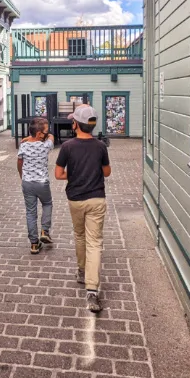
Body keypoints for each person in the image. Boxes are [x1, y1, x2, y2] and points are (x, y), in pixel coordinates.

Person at [54, 104, 111, 313]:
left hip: (76, 200)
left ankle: (81, 270)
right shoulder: (100, 146)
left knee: (79, 235)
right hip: (97, 199)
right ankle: (92, 291)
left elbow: (59, 175)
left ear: (75, 123)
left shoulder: (67, 147)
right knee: (95, 242)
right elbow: (107, 173)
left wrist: (75, 173)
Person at [17, 117, 55, 254]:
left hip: (27, 183)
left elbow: (19, 162)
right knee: (47, 204)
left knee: (30, 212)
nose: (48, 133)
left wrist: (22, 176)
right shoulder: (46, 146)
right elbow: (51, 136)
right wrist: (45, 135)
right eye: (45, 131)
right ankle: (45, 230)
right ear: (39, 134)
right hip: (42, 183)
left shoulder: (24, 145)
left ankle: (34, 243)